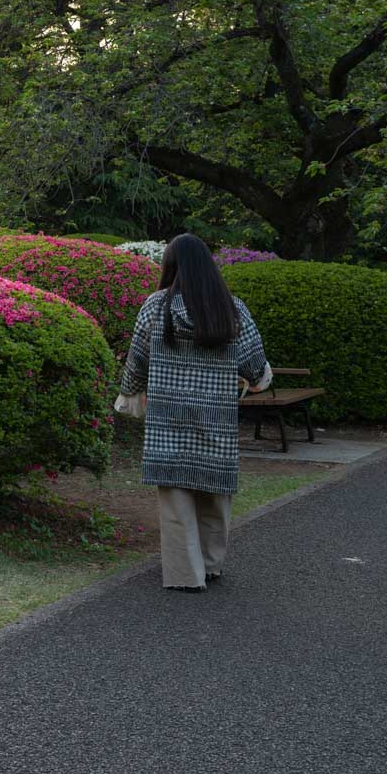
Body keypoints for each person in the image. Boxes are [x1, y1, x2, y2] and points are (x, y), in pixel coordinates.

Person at [117, 233, 272, 593]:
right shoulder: (231, 308)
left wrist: (128, 392)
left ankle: (187, 575)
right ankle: (212, 564)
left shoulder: (155, 307)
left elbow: (138, 359)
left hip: (168, 418)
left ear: (171, 265)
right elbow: (254, 366)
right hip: (215, 416)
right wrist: (259, 378)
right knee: (215, 491)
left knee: (176, 499)